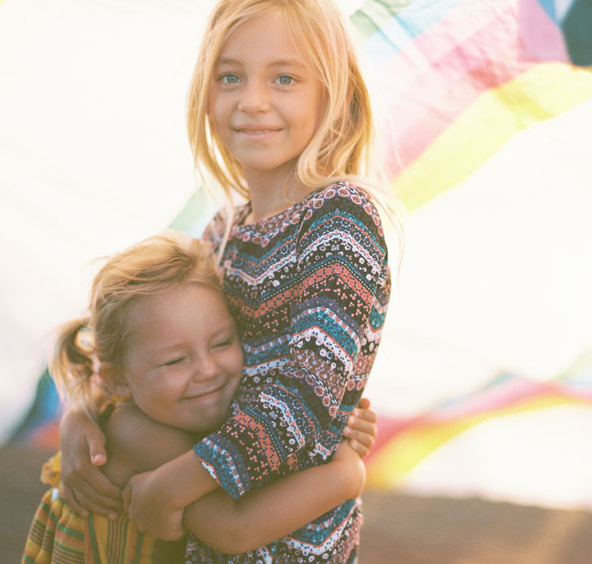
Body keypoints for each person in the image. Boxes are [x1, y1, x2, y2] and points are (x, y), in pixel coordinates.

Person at [59, 0, 395, 563]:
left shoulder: (340, 221)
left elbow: (307, 395)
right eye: (230, 77)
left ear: (334, 93)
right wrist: (85, 413)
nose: (252, 101)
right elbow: (149, 343)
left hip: (295, 544)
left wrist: (177, 479)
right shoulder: (222, 233)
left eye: (284, 78)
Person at [23, 232, 378, 563]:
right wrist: (347, 474)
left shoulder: (142, 412)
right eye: (176, 360)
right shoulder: (143, 434)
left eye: (222, 342)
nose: (208, 370)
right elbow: (236, 530)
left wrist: (334, 421)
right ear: (117, 381)